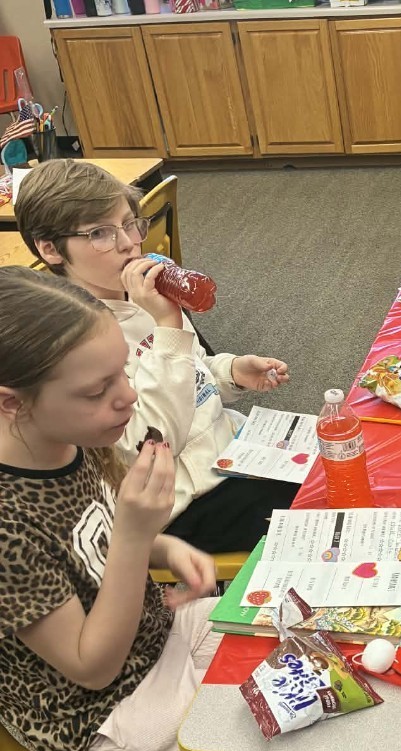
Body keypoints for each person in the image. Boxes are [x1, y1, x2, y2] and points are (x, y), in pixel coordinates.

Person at [0, 268, 290, 751]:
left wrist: (165, 546)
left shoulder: (63, 437)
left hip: (149, 637)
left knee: (305, 638)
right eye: (97, 389)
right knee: (291, 723)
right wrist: (139, 537)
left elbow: (98, 535)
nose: (128, 397)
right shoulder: (8, 522)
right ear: (12, 403)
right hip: (97, 711)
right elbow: (90, 667)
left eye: (123, 373)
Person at [16, 160, 300, 554]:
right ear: (50, 249)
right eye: (100, 233)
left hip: (234, 449)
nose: (128, 243)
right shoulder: (74, 345)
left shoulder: (144, 296)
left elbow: (192, 376)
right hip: (189, 501)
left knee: (355, 457)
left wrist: (230, 371)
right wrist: (168, 327)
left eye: (131, 222)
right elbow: (151, 445)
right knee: (335, 515)